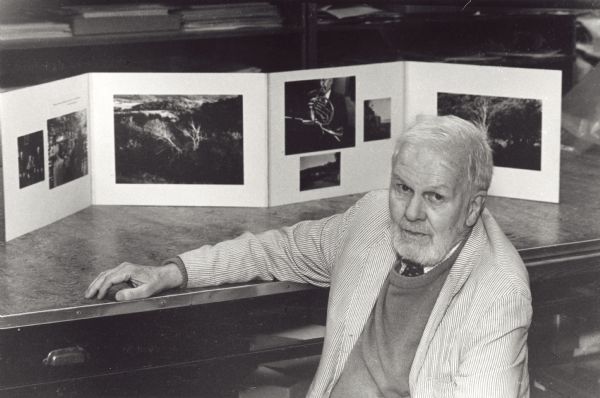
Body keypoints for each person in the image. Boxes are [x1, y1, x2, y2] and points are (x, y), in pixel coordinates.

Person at [86, 115, 532, 397]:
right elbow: (278, 249)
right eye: (403, 189)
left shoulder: (498, 293)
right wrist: (174, 272)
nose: (411, 213)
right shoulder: (375, 217)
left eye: (435, 197)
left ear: (473, 207)